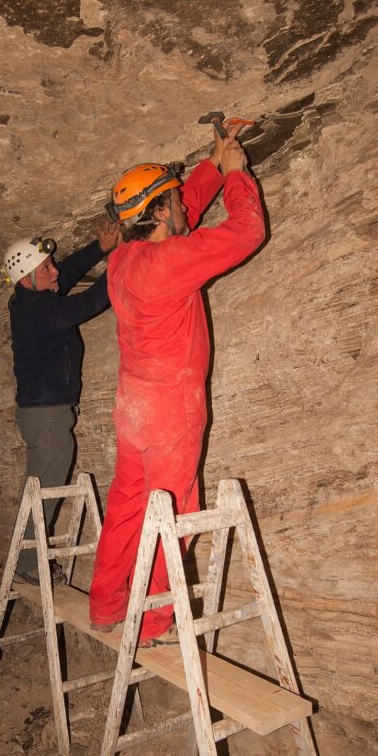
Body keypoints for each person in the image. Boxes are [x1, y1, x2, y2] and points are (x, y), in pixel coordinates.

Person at [89, 126, 266, 645]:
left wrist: (213, 161)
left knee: (126, 505)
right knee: (174, 512)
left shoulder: (122, 259)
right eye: (172, 201)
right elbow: (245, 232)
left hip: (134, 409)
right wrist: (236, 176)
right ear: (161, 213)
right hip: (170, 412)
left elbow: (176, 207)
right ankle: (154, 622)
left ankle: (106, 603)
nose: (181, 205)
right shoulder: (170, 263)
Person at [4, 224, 119, 582]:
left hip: (45, 413)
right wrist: (123, 263)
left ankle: (25, 560)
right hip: (48, 417)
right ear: (26, 280)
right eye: (45, 269)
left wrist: (99, 247)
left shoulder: (30, 297)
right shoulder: (40, 311)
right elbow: (89, 302)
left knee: (41, 487)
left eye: (50, 264)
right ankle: (26, 565)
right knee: (44, 492)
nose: (54, 271)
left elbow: (64, 274)